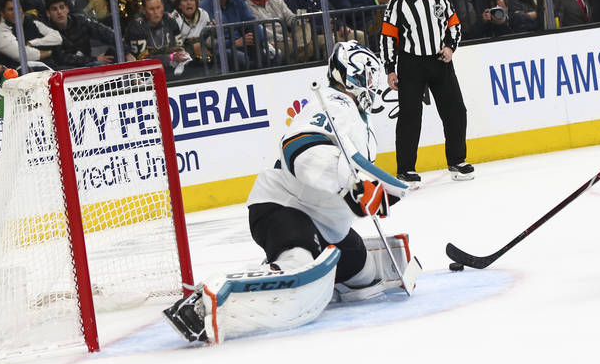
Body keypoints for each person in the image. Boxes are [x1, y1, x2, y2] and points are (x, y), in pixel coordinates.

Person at [163, 42, 413, 345]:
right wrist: (352, 187)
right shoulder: (334, 103)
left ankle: (321, 270)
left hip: (326, 224)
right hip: (283, 206)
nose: (374, 83)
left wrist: (375, 195)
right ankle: (203, 306)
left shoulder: (358, 116)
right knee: (297, 258)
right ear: (353, 76)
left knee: (363, 274)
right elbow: (300, 149)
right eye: (370, 75)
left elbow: (356, 174)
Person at [381, 0, 473, 184]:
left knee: (456, 111)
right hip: (411, 64)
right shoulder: (397, 3)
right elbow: (388, 38)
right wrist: (390, 69)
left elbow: (454, 25)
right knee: (410, 117)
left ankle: (457, 160)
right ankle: (405, 169)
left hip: (440, 62)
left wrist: (450, 47)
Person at [43, 0, 122, 69]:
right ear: (48, 13)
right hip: (65, 70)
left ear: (67, 9)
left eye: (62, 7)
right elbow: (62, 58)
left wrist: (127, 51)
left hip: (89, 64)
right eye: (54, 9)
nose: (59, 12)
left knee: (114, 53)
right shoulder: (46, 31)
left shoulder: (80, 21)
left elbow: (105, 32)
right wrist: (94, 59)